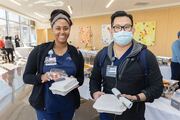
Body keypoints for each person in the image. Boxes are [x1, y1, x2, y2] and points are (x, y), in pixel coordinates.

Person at [89, 11, 163, 120]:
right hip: (106, 113)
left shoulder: (145, 56)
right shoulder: (102, 55)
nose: (122, 31)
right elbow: (94, 79)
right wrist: (95, 92)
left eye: (127, 27)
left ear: (133, 30)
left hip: (133, 114)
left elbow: (157, 88)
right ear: (111, 30)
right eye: (117, 27)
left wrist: (135, 97)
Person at [23, 9, 84, 120]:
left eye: (66, 28)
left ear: (69, 29)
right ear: (52, 29)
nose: (62, 32)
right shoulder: (39, 51)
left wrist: (72, 81)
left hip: (68, 106)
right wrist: (43, 76)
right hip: (46, 106)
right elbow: (26, 77)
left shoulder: (76, 53)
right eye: (58, 28)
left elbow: (81, 78)